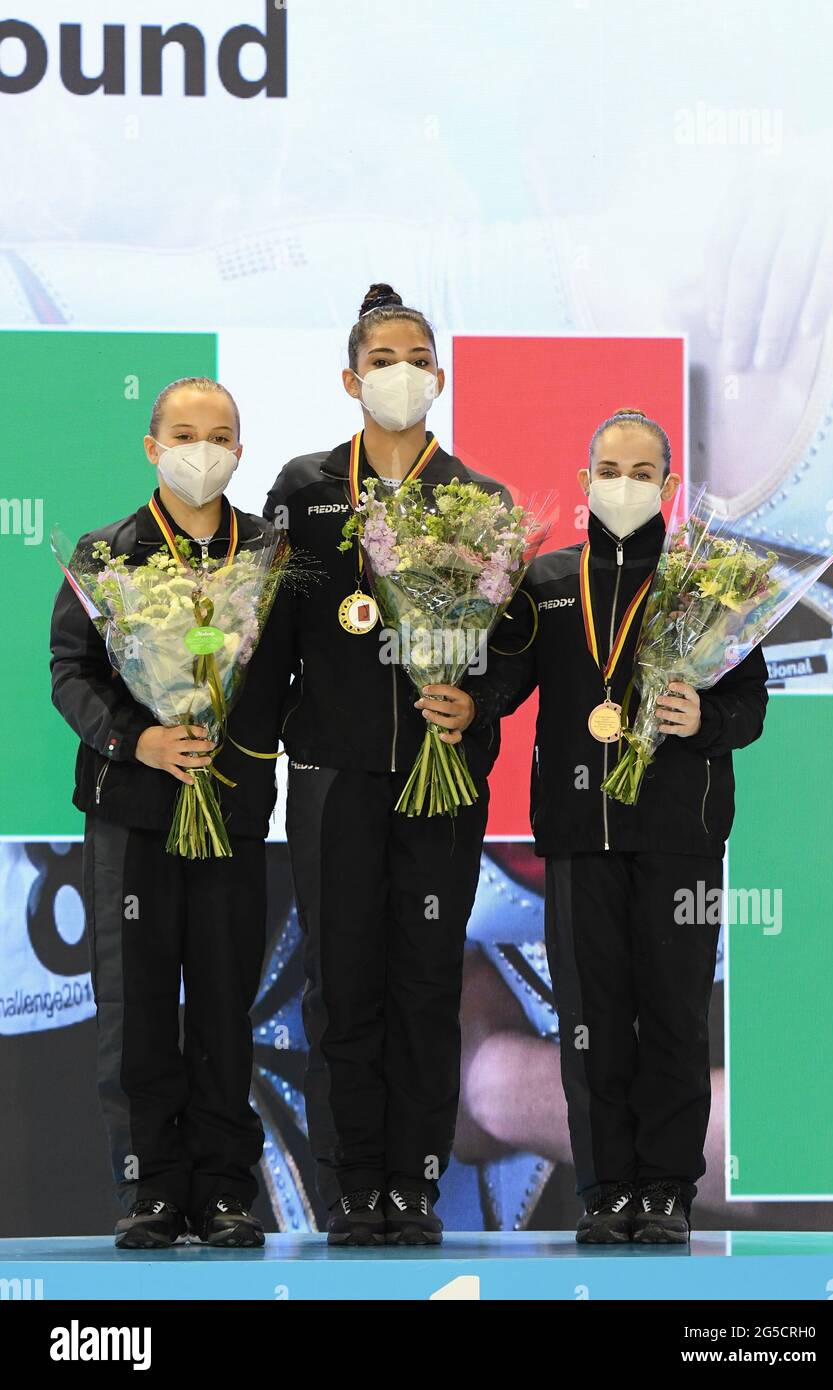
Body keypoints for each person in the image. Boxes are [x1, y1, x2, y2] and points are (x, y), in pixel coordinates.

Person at [460, 407, 769, 1244]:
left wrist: (701, 713)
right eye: (610, 469)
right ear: (583, 480)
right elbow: (504, 684)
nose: (623, 485)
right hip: (578, 832)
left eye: (642, 473)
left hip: (681, 833)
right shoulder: (548, 582)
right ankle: (604, 1190)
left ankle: (665, 1191)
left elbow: (750, 710)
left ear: (668, 486)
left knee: (671, 1018)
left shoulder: (710, 586)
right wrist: (464, 696)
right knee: (591, 1020)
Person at [263, 284, 506, 1245]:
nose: (399, 374)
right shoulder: (306, 483)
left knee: (424, 982)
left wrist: (474, 706)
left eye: (416, 359)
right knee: (339, 984)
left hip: (436, 781)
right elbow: (269, 622)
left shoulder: (478, 501)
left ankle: (412, 1185)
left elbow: (504, 649)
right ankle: (348, 1187)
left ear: (439, 377)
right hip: (331, 775)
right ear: (350, 378)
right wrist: (274, 730)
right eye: (382, 360)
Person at [50, 376, 292, 1249]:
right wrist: (135, 741)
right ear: (152, 448)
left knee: (227, 1008)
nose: (203, 448)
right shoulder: (105, 552)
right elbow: (69, 673)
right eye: (185, 434)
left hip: (230, 812)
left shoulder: (271, 554)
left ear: (240, 448)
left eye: (220, 433)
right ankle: (148, 1187)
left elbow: (294, 681)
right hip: (133, 814)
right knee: (138, 1008)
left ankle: (226, 1191)